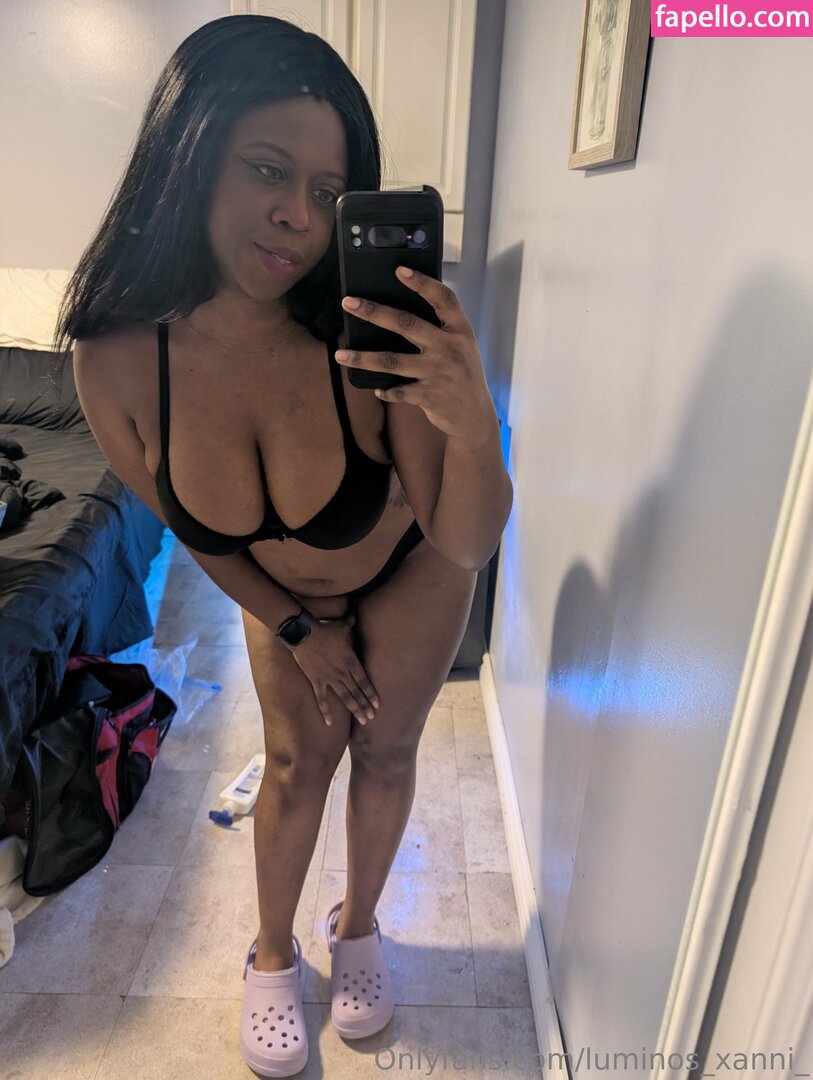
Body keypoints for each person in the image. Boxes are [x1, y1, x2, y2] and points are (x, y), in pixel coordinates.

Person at [53, 14, 512, 1076]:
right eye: (267, 169)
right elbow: (190, 530)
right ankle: (270, 952)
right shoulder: (115, 359)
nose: (296, 217)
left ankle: (359, 928)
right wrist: (300, 628)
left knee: (385, 751)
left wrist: (469, 418)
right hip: (283, 594)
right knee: (300, 765)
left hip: (409, 566)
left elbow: (465, 539)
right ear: (188, 154)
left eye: (326, 190)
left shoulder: (362, 337)